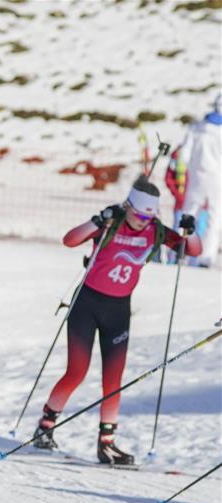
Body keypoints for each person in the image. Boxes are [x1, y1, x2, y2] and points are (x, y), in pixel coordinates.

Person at [33, 176, 202, 465]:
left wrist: (191, 231)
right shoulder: (111, 223)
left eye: (149, 217)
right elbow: (70, 240)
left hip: (118, 311)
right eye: (137, 216)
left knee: (113, 381)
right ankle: (45, 427)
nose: (142, 223)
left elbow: (192, 250)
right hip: (86, 304)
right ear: (128, 207)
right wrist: (97, 221)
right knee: (77, 371)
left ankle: (107, 444)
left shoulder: (156, 231)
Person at [175, 93, 221, 267]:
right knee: (214, 218)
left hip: (196, 177)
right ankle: (206, 257)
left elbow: (183, 155)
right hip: (217, 179)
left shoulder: (196, 128)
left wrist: (186, 171)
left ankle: (181, 251)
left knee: (188, 214)